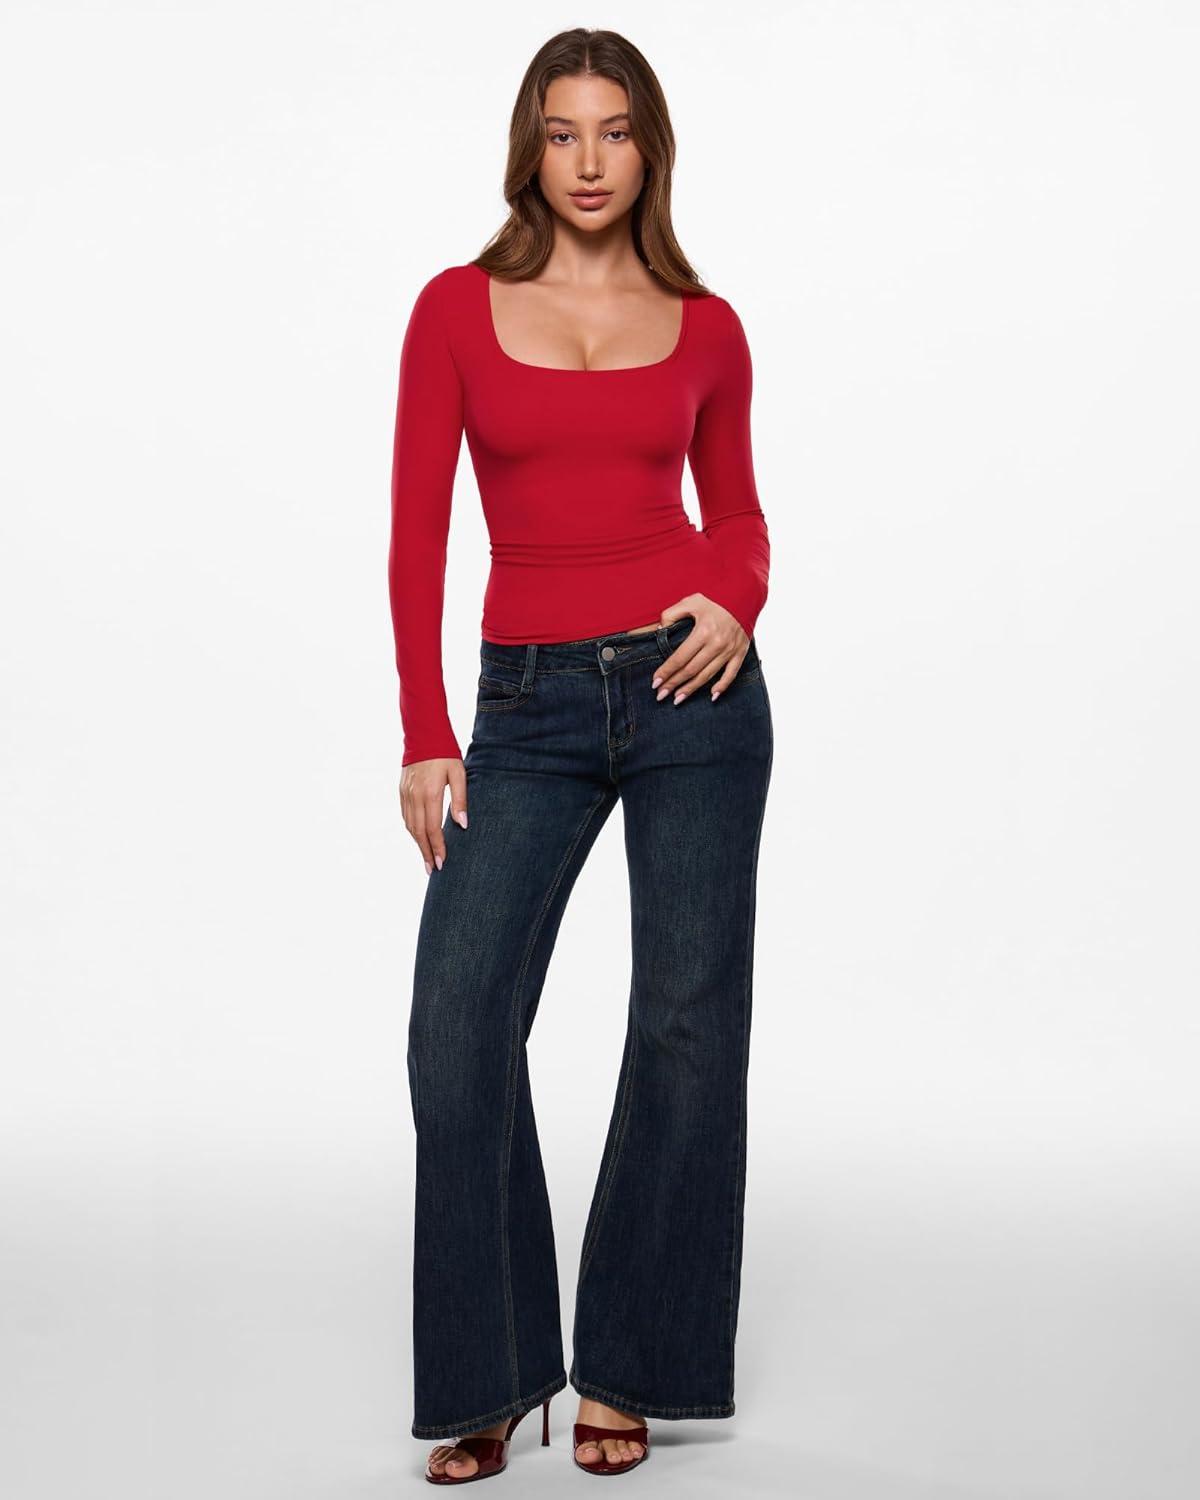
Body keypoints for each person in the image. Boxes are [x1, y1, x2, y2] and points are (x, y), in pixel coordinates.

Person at [388, 28, 774, 1485]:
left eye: (615, 132)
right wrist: (427, 731)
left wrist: (734, 596)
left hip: (693, 690)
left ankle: (630, 1366)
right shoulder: (456, 308)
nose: (591, 160)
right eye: (564, 132)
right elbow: (418, 531)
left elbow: (739, 514)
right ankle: (490, 1371)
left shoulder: (708, 324)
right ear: (530, 147)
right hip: (529, 704)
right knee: (457, 1023)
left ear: (649, 148)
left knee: (685, 1024)